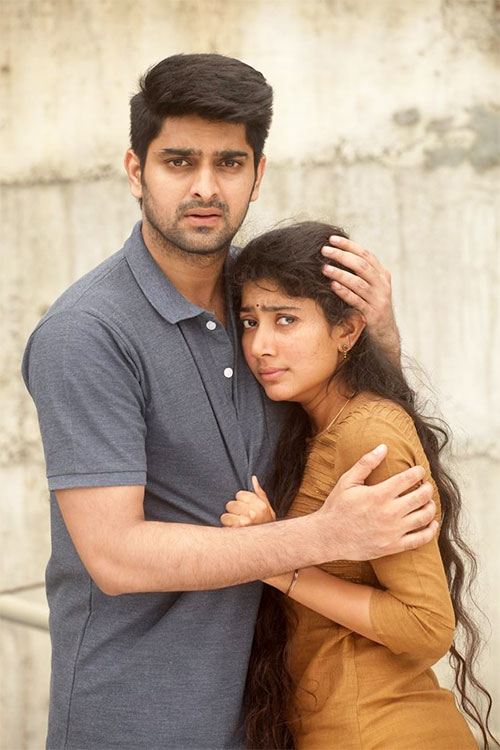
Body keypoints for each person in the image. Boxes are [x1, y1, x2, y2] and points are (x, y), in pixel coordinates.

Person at [22, 55, 437, 750]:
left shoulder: (269, 305)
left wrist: (379, 339)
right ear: (136, 171)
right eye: (178, 161)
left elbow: (350, 428)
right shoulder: (86, 334)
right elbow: (116, 557)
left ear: (258, 173)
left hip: (276, 714)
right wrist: (322, 538)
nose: (206, 187)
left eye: (230, 163)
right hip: (139, 720)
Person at [223, 221, 497, 750]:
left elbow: (426, 626)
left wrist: (276, 560)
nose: (259, 345)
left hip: (383, 732)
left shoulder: (368, 433)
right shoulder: (314, 424)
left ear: (347, 331)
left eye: (286, 319)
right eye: (250, 321)